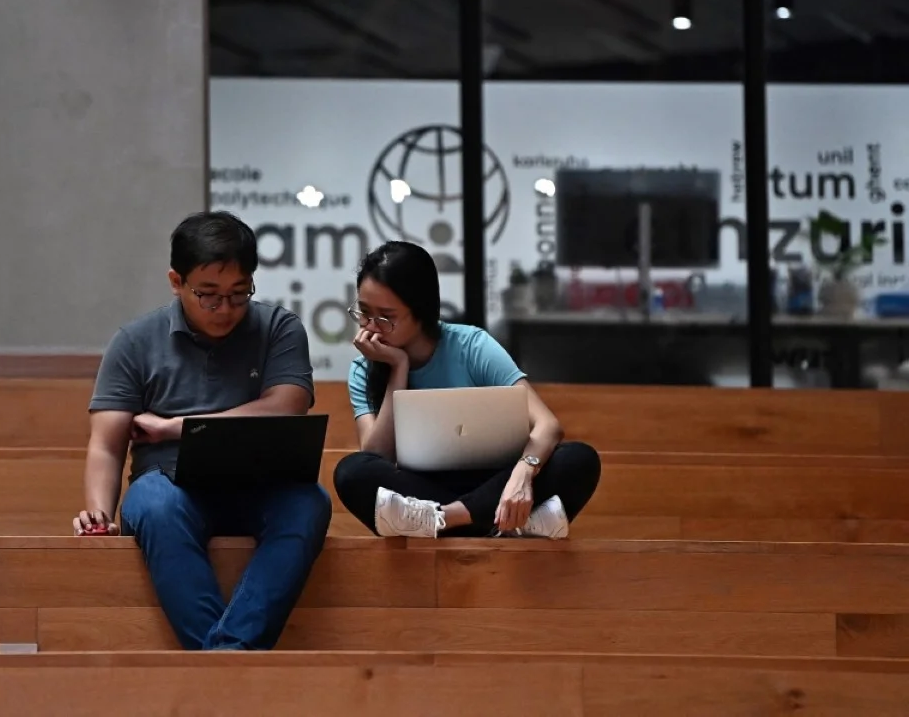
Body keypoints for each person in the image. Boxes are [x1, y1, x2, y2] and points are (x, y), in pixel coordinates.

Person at [73, 211, 332, 650]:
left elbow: (287, 405)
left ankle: (222, 659)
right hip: (172, 487)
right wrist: (99, 513)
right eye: (208, 295)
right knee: (154, 506)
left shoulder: (278, 328)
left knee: (309, 502)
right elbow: (107, 443)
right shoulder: (135, 342)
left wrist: (178, 427)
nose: (225, 309)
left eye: (239, 293)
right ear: (176, 281)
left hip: (264, 483)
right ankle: (231, 658)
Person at [332, 240, 601, 539]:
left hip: (493, 482)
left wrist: (523, 474)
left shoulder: (471, 345)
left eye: (386, 317)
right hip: (422, 488)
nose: (371, 326)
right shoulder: (363, 369)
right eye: (364, 312)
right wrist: (398, 370)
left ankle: (446, 520)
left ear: (420, 310)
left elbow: (548, 425)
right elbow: (376, 457)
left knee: (577, 460)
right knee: (351, 472)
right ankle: (505, 525)